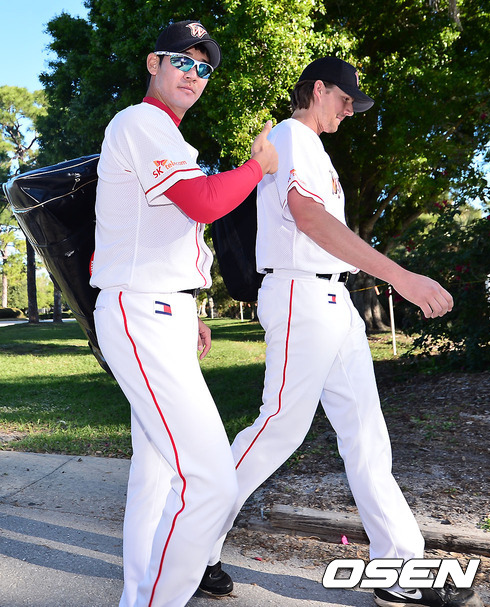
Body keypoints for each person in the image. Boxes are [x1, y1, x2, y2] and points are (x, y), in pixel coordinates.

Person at [208, 57, 484, 607]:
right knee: (279, 430)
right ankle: (187, 541)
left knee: (366, 436)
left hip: (332, 299)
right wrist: (401, 276)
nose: (350, 111)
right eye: (345, 100)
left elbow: (323, 227)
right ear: (318, 89)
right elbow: (309, 219)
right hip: (300, 295)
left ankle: (400, 572)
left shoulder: (315, 148)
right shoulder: (289, 137)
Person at [90, 20, 277, 607]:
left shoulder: (166, 136)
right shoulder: (141, 121)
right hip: (141, 311)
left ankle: (139, 594)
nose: (194, 75)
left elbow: (164, 229)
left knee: (157, 477)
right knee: (210, 481)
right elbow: (202, 202)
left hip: (159, 309)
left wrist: (187, 307)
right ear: (154, 63)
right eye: (183, 61)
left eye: (204, 68)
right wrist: (258, 166)